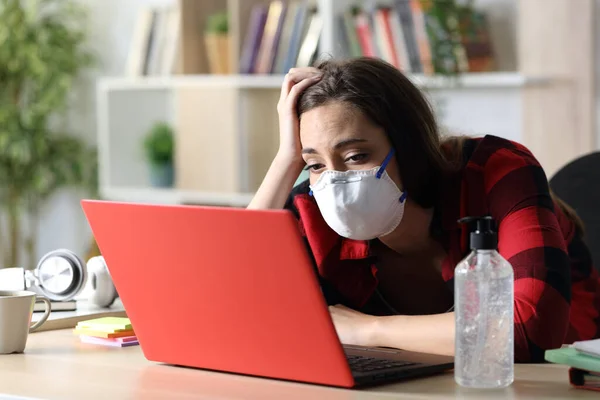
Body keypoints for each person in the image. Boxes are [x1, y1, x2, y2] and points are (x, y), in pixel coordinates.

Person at [247, 57, 600, 363]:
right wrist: (287, 159)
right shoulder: (311, 205)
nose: (335, 182)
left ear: (409, 148)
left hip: (557, 380)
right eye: (316, 164)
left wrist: (366, 329)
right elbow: (232, 299)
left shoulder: (497, 170)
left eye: (356, 156)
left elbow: (526, 331)